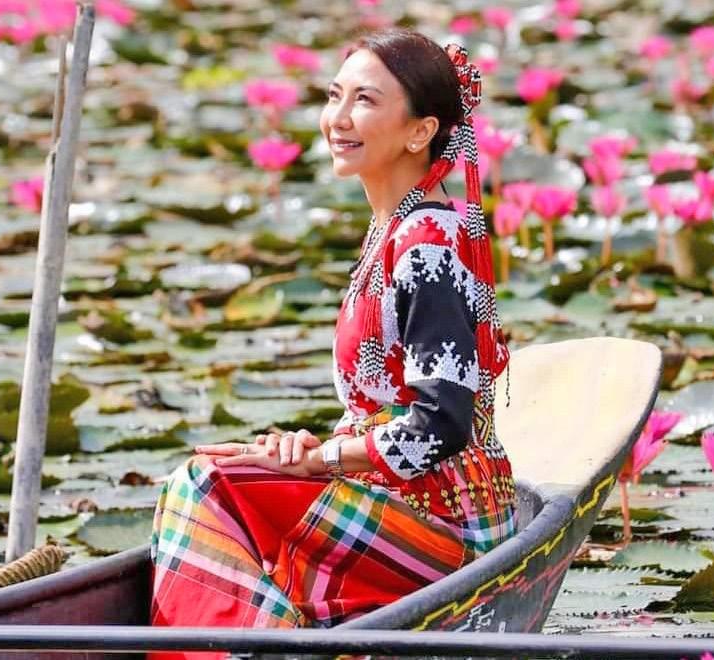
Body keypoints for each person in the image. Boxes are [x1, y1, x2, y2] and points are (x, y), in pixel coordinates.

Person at [149, 28, 515, 659]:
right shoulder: (395, 227)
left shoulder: (425, 246)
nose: (337, 119)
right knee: (234, 468)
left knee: (205, 484)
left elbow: (442, 424)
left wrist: (323, 462)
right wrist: (309, 448)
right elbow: (384, 407)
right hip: (399, 499)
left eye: (365, 101)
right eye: (334, 95)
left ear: (420, 132)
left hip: (450, 525)